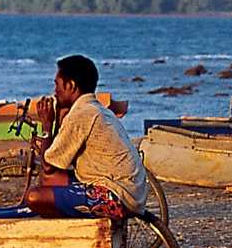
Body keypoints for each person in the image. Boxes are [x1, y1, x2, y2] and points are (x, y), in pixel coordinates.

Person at [24, 55, 150, 219]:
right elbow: (55, 163)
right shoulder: (96, 108)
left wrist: (47, 124)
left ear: (71, 85)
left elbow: (48, 165)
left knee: (34, 196)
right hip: (130, 193)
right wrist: (57, 119)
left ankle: (73, 228)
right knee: (50, 180)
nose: (55, 91)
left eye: (57, 85)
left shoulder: (82, 114)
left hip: (116, 197)